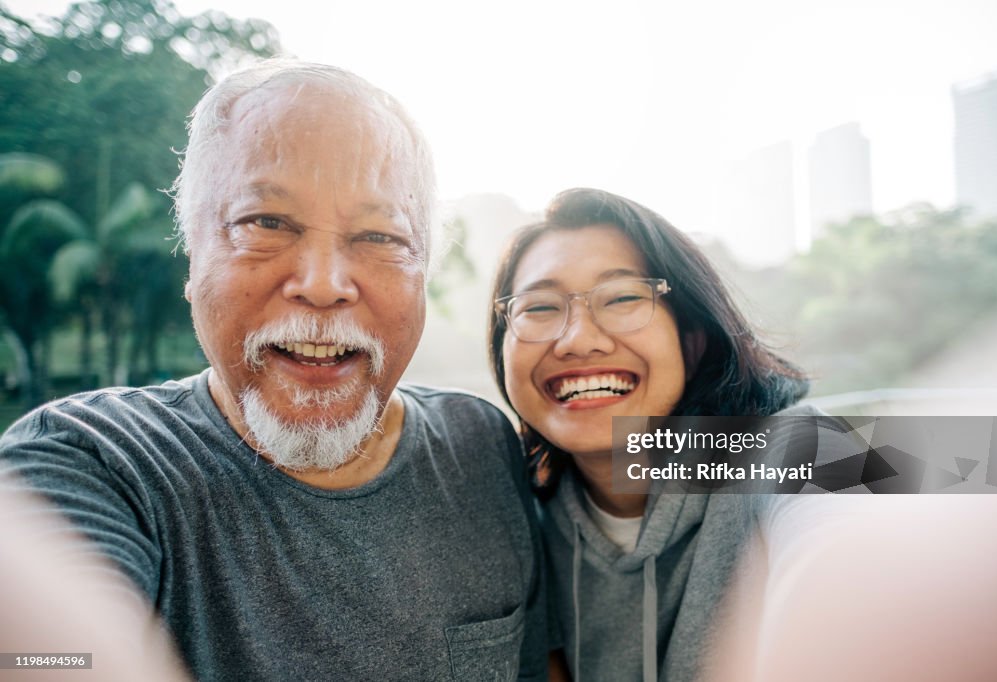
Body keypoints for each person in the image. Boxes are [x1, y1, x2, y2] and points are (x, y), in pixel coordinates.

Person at [0, 60, 546, 681]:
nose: (322, 285)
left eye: (379, 236)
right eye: (265, 223)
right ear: (193, 256)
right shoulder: (90, 462)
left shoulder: (482, 445)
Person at [488, 188, 816, 681]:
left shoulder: (795, 444)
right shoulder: (512, 518)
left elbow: (941, 478)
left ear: (693, 335)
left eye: (621, 298)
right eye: (539, 308)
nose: (578, 340)